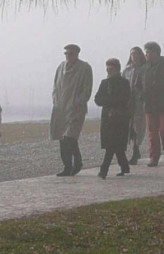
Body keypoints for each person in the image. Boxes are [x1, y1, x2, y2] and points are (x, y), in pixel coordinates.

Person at [51, 43, 94, 176]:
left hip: (76, 108)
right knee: (62, 138)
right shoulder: (61, 67)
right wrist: (55, 100)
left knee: (70, 137)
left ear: (76, 54)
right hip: (61, 109)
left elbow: (87, 88)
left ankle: (78, 162)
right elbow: (55, 86)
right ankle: (67, 166)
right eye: (66, 54)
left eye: (71, 54)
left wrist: (79, 102)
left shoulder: (85, 68)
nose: (68, 56)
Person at [136, 40, 164, 166]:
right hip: (149, 106)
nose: (146, 55)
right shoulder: (144, 69)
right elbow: (138, 86)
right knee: (152, 133)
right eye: (146, 53)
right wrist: (142, 96)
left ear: (156, 53)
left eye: (148, 52)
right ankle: (154, 157)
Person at [93, 59, 133, 179]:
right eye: (107, 69)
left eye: (111, 69)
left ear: (117, 69)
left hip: (120, 118)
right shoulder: (104, 83)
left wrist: (111, 101)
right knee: (115, 145)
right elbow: (97, 99)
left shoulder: (124, 83)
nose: (109, 71)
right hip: (107, 118)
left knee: (113, 145)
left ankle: (103, 170)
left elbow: (125, 98)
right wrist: (108, 101)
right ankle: (124, 166)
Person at [122, 46, 147, 163]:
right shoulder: (127, 70)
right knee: (130, 127)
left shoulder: (145, 69)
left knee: (139, 126)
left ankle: (137, 149)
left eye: (136, 54)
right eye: (132, 54)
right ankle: (134, 150)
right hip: (128, 103)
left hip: (140, 102)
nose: (134, 56)